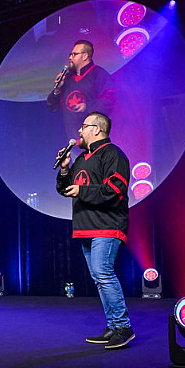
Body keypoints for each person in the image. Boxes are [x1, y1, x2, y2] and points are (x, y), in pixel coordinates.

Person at [56, 111, 134, 349]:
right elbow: (66, 188)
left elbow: (115, 189)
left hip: (107, 224)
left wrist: (82, 191)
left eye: (84, 126)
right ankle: (113, 326)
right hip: (86, 226)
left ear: (97, 129)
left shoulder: (113, 154)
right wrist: (64, 170)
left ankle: (123, 327)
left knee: (103, 273)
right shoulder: (80, 158)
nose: (79, 131)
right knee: (99, 278)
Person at [47, 40, 115, 132]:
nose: (70, 58)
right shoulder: (67, 78)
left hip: (94, 136)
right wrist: (57, 90)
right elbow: (53, 107)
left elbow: (110, 100)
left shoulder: (98, 74)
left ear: (85, 56)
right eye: (70, 55)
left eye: (74, 54)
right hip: (72, 139)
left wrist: (87, 106)